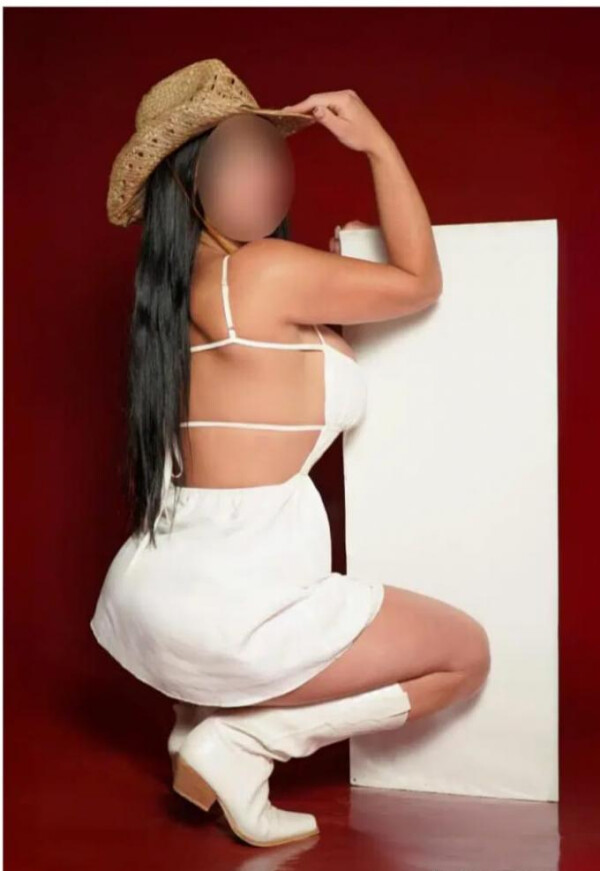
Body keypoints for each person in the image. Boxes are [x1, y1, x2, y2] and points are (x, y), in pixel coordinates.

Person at [90, 59, 491, 848]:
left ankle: (202, 719)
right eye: (238, 157)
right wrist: (376, 144)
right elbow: (419, 281)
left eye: (270, 150)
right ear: (189, 185)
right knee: (464, 655)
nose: (269, 172)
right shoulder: (264, 272)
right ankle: (243, 743)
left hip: (161, 597)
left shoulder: (181, 292)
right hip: (242, 602)